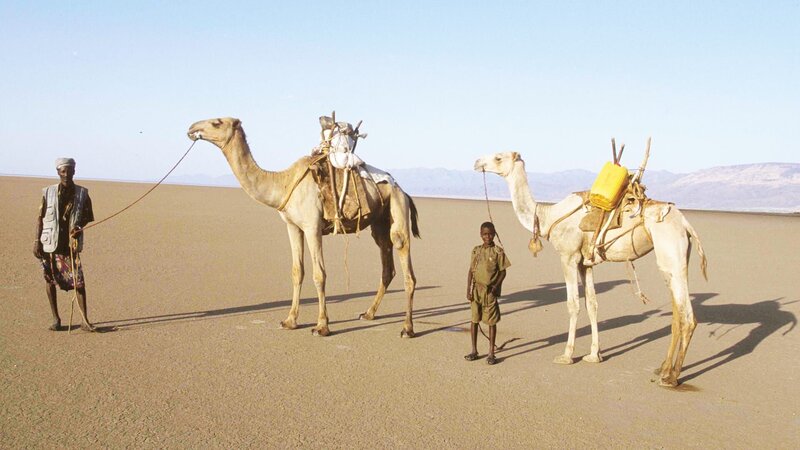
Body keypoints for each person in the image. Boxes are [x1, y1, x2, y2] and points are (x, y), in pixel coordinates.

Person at [33, 158, 95, 331]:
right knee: (50, 281)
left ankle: (85, 320)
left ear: (74, 171)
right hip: (49, 244)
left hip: (70, 245)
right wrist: (36, 241)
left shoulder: (83, 193)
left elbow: (87, 216)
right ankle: (56, 319)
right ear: (58, 172)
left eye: (69, 171)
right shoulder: (48, 192)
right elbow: (40, 218)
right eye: (63, 171)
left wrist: (78, 227)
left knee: (79, 282)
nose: (66, 174)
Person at [465, 222, 510, 365]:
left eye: (490, 234)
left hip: (489, 291)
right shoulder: (476, 250)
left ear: (494, 234)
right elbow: (471, 271)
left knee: (491, 322)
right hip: (475, 290)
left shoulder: (498, 252)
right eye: (485, 234)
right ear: (480, 234)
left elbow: (503, 271)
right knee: (474, 320)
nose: (487, 237)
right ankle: (474, 350)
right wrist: (468, 289)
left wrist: (496, 286)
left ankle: (491, 353)